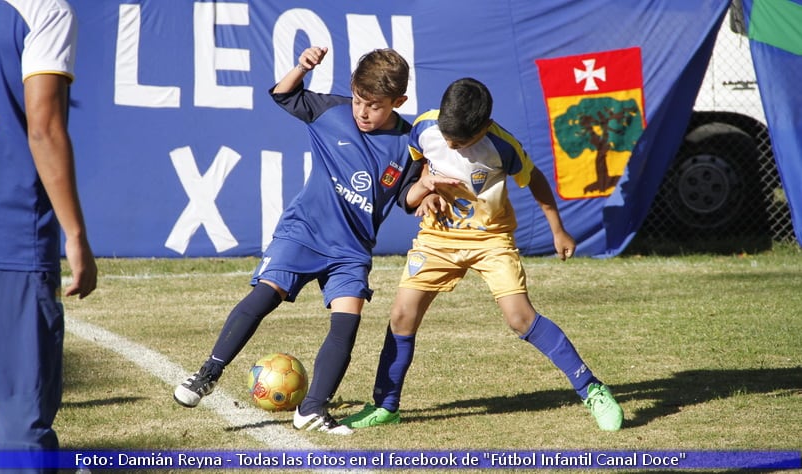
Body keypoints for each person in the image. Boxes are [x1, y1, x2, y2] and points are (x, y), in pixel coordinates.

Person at [173, 47, 449, 435]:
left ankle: (313, 409)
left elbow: (405, 197)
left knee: (347, 320)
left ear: (399, 102)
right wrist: (302, 68)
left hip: (351, 249)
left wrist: (426, 190)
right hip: (303, 233)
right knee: (264, 295)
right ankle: (207, 373)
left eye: (375, 105)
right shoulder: (331, 111)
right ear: (350, 90)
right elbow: (283, 95)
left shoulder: (407, 143)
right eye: (358, 99)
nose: (362, 111)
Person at [342, 77, 624, 432]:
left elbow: (534, 178)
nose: (449, 144)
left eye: (458, 141)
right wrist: (425, 192)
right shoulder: (426, 127)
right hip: (438, 237)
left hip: (490, 239)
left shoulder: (502, 146)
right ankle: (386, 406)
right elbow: (421, 165)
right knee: (401, 316)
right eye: (446, 136)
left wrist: (557, 229)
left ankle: (592, 389)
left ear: (483, 128)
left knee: (520, 318)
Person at [0, 0, 98, 469]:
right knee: (23, 416)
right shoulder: (44, 9)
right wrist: (75, 234)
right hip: (5, 238)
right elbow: (44, 129)